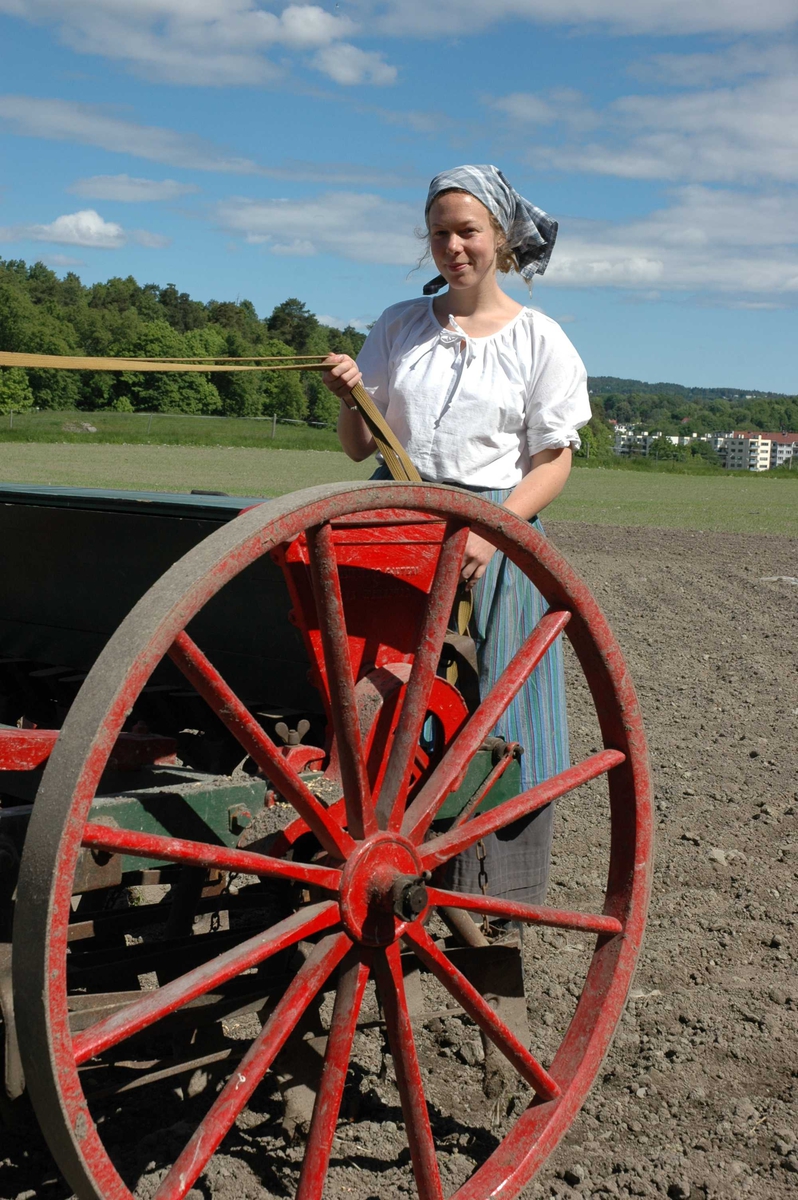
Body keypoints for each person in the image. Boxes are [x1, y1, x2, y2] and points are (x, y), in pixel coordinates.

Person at [323, 164, 591, 908]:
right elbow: (355, 447)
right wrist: (350, 396)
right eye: (440, 233)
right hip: (395, 517)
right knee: (367, 681)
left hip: (498, 530)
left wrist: (491, 535)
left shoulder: (540, 338)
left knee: (506, 710)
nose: (453, 246)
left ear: (500, 238)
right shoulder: (400, 324)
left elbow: (554, 461)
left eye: (467, 231)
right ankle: (364, 848)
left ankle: (499, 897)